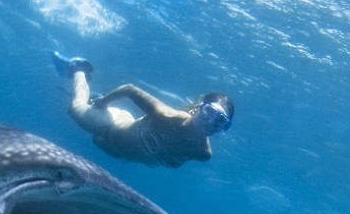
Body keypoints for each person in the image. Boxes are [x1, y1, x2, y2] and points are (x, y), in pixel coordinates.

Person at [51, 51, 233, 168]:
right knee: (75, 108)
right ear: (197, 108)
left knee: (97, 142)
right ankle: (79, 69)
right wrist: (104, 103)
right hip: (112, 124)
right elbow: (129, 89)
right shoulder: (167, 116)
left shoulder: (202, 153)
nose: (210, 122)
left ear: (222, 129)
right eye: (210, 112)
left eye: (220, 121)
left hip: (120, 149)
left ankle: (95, 99)